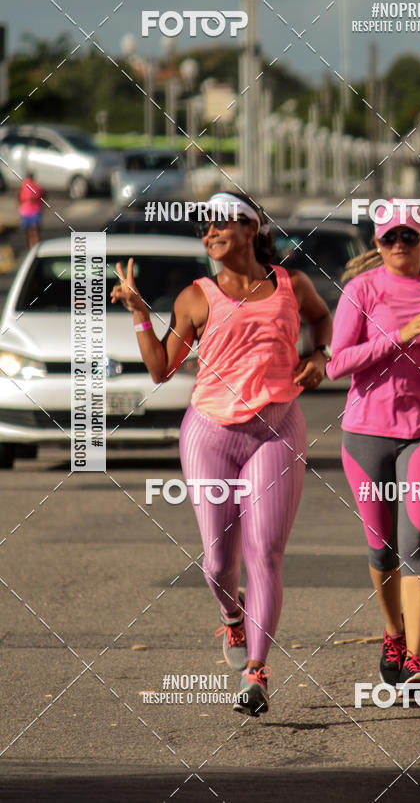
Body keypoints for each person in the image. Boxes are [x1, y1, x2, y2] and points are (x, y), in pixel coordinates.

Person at [111, 191, 332, 717]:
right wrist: (142, 313)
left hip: (277, 431)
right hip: (210, 434)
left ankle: (256, 672)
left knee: (266, 553)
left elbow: (323, 320)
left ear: (251, 227)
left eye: (218, 224)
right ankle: (232, 616)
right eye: (202, 229)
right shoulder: (195, 296)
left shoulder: (290, 284)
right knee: (217, 561)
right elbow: (162, 369)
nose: (208, 234)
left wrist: (318, 354)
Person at [327, 202, 420, 691]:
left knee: (417, 545)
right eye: (389, 238)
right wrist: (398, 337)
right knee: (381, 548)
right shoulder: (361, 290)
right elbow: (337, 364)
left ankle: (414, 659)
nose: (398, 246)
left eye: (408, 238)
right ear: (376, 243)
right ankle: (392, 632)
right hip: (366, 433)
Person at [18, 171, 44, 249]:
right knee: (32, 231)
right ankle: (33, 248)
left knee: (31, 231)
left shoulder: (26, 186)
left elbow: (18, 196)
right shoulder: (33, 186)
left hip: (29, 211)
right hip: (29, 211)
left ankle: (32, 248)